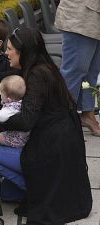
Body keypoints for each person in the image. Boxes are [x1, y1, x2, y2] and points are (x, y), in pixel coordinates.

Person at [0, 28, 92, 224]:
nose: (6, 53)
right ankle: (31, 187)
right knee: (6, 193)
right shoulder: (45, 67)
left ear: (23, 52)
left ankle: (36, 188)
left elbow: (26, 121)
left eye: (10, 49)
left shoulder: (36, 76)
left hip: (48, 149)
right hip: (61, 145)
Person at [55, 0, 100, 136]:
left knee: (92, 71)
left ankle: (88, 113)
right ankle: (61, 120)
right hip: (80, 16)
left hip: (94, 17)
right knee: (73, 72)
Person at [0, 75, 29, 148]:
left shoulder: (11, 109)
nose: (0, 94)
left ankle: (15, 146)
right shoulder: (19, 102)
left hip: (21, 138)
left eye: (1, 93)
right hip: (23, 132)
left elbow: (0, 117)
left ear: (9, 98)